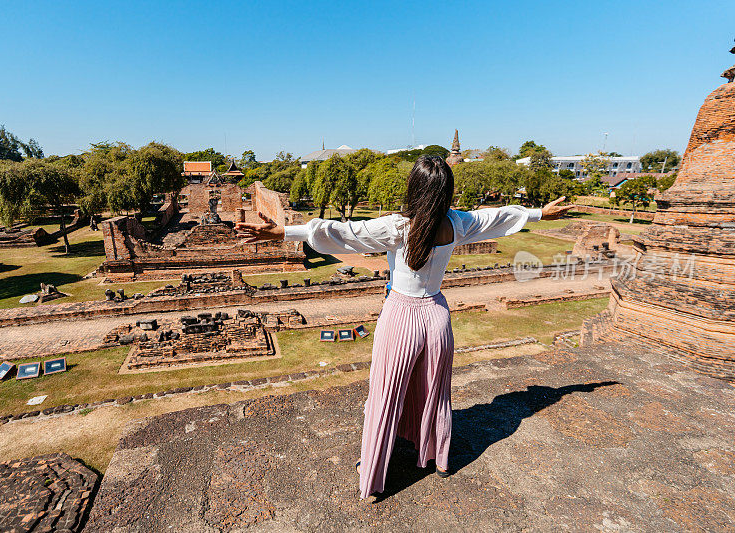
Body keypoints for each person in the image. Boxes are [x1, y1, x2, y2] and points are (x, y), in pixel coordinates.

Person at [234, 155, 572, 500]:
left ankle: (372, 468)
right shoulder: (458, 223)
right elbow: (498, 216)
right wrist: (540, 213)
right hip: (437, 316)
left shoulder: (397, 227)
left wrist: (284, 231)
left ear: (414, 188)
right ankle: (438, 458)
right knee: (435, 392)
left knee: (385, 394)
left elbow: (343, 233)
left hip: (401, 315)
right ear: (447, 192)